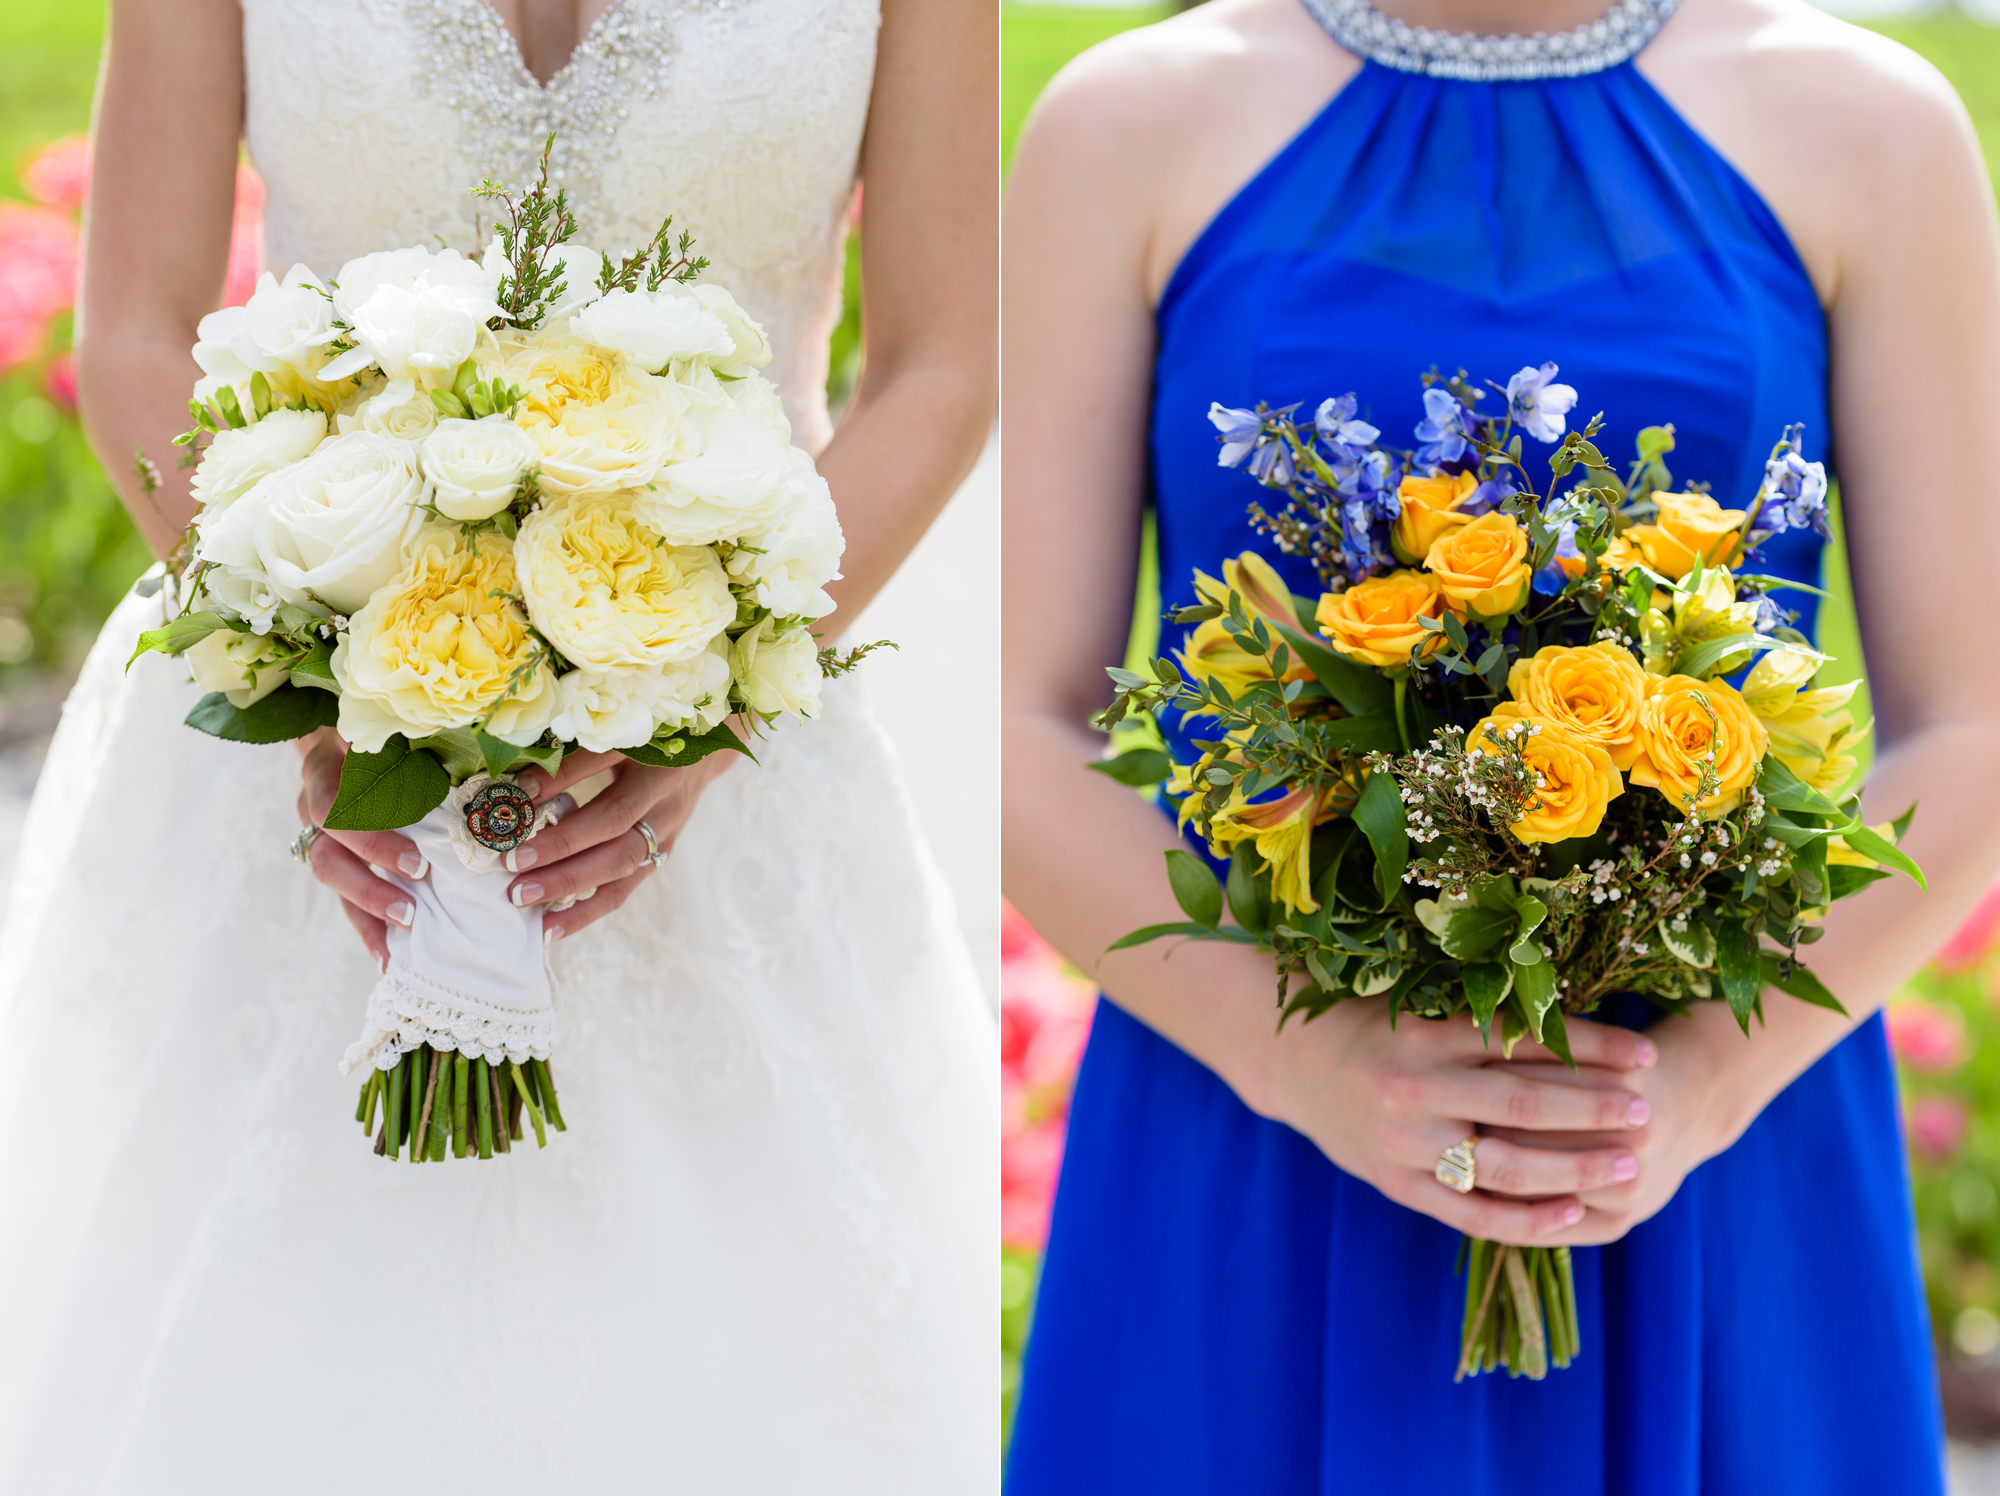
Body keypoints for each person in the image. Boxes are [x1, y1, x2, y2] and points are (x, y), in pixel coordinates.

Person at [1001, 0, 2000, 1488]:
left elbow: (1970, 720)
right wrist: (1320, 1068)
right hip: (1248, 1112)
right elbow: (1021, 718)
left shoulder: (1868, 122)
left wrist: (1703, 1091)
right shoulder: (1129, 121)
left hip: (1715, 1143)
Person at [0, 1, 995, 1489]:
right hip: (288, 763)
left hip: (723, 775)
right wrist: (309, 670)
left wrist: (718, 704)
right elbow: (136, 325)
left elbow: (941, 362)